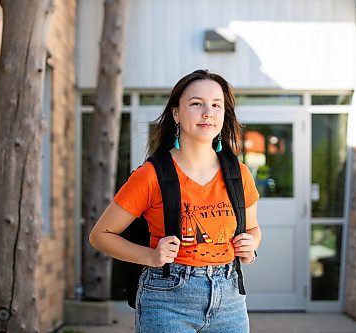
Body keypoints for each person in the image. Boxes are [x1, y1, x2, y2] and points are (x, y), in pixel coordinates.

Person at [89, 69, 261, 333]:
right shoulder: (151, 175)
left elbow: (252, 229)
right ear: (176, 114)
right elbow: (100, 235)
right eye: (196, 103)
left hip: (229, 300)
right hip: (166, 300)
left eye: (217, 105)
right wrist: (150, 255)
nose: (208, 112)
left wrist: (251, 245)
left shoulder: (239, 174)